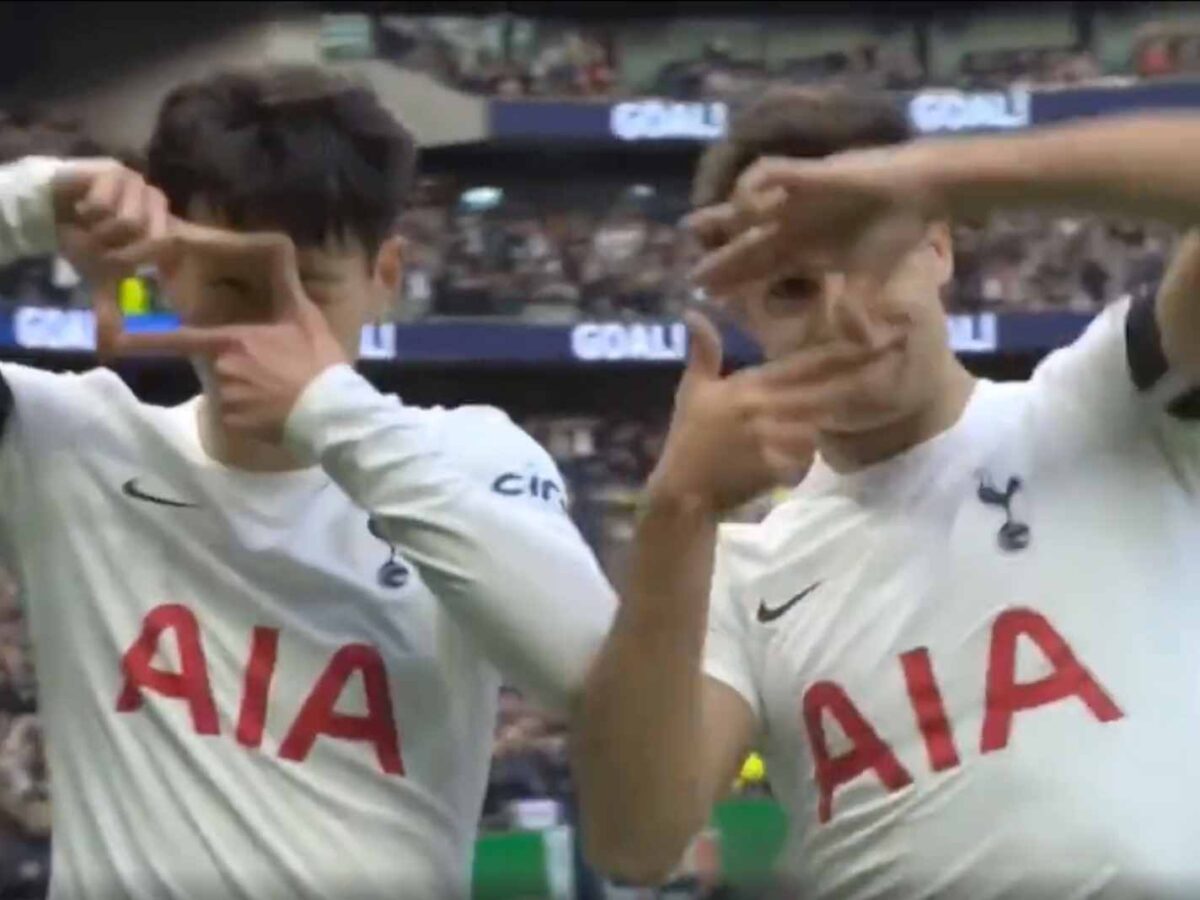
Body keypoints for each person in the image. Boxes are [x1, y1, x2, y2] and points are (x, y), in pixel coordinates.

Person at [0, 64, 615, 899]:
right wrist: (32, 204)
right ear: (169, 272)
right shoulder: (68, 441)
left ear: (385, 277)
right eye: (228, 284)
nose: (264, 330)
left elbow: (584, 666)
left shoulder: (473, 456)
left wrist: (330, 414)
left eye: (308, 291)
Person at [575, 85, 1200, 897]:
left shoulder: (1106, 404)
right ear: (744, 313)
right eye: (793, 290)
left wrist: (945, 174)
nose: (849, 319)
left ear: (938, 245)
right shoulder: (739, 572)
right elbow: (634, 841)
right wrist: (675, 512)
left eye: (868, 254)